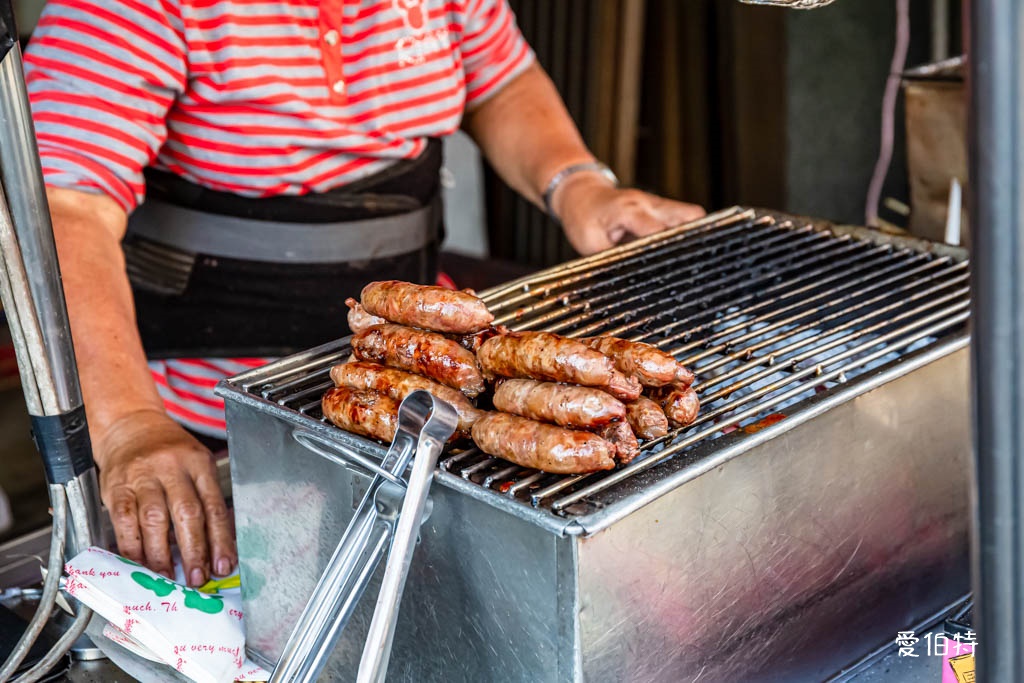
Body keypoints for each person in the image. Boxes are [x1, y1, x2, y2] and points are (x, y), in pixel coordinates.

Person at [23, 0, 705, 587]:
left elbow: (500, 77)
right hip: (211, 436)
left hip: (428, 410)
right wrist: (127, 425)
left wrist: (577, 183)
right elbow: (62, 209)